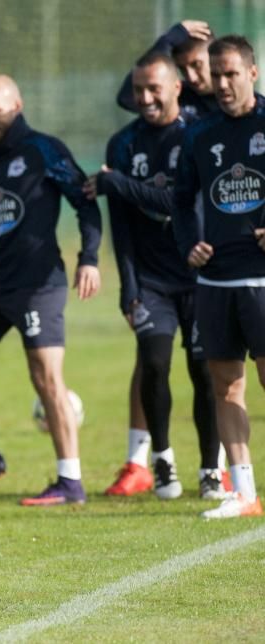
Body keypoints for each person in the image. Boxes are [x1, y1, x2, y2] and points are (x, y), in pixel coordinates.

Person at [0, 74, 101, 506]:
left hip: (40, 285)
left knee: (46, 377)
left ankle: (70, 482)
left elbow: (85, 203)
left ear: (17, 105)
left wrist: (89, 258)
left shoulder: (44, 150)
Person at [85, 51, 228, 501]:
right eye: (139, 90)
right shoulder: (123, 145)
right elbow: (123, 227)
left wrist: (116, 183)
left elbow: (178, 204)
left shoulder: (197, 136)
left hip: (200, 273)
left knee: (204, 373)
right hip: (150, 280)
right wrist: (128, 286)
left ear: (176, 88)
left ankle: (211, 469)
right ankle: (162, 461)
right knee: (153, 363)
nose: (145, 98)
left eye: (154, 89)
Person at [173, 35, 265, 519]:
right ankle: (245, 492)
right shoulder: (200, 134)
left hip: (263, 281)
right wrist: (190, 243)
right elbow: (182, 200)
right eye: (216, 74)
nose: (222, 83)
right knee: (224, 385)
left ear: (252, 72)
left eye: (232, 73)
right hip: (215, 281)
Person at [116, 20, 217, 119]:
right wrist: (166, 42)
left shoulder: (230, 97)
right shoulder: (180, 96)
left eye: (196, 65)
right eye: (182, 68)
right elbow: (127, 99)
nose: (191, 77)